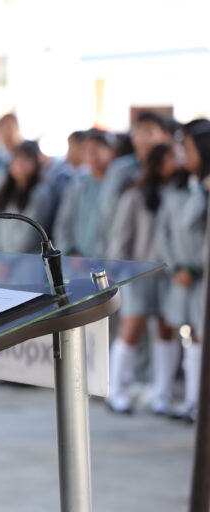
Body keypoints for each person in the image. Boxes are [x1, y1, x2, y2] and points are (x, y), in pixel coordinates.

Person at [106, 143, 178, 414]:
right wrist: (117, 266)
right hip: (137, 271)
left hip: (167, 273)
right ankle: (115, 391)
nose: (177, 162)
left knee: (164, 328)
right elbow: (120, 234)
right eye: (172, 157)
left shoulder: (176, 191)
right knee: (131, 327)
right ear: (158, 163)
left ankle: (162, 393)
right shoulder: (135, 195)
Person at [156, 119, 210, 422]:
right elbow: (167, 231)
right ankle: (192, 402)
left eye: (188, 149)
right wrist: (178, 266)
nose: (182, 155)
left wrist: (197, 267)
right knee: (192, 335)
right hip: (185, 276)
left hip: (203, 276)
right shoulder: (185, 185)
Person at [53, 129, 117, 258]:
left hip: (107, 263)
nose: (91, 154)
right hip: (77, 260)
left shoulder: (118, 184)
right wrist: (69, 250)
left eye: (97, 149)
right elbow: (63, 222)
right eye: (87, 150)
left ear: (112, 152)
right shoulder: (78, 183)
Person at [0, 141, 54, 254]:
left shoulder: (40, 192)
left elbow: (31, 233)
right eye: (16, 159)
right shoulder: (5, 190)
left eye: (26, 159)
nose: (20, 164)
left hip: (26, 260)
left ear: (35, 164)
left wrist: (7, 259)